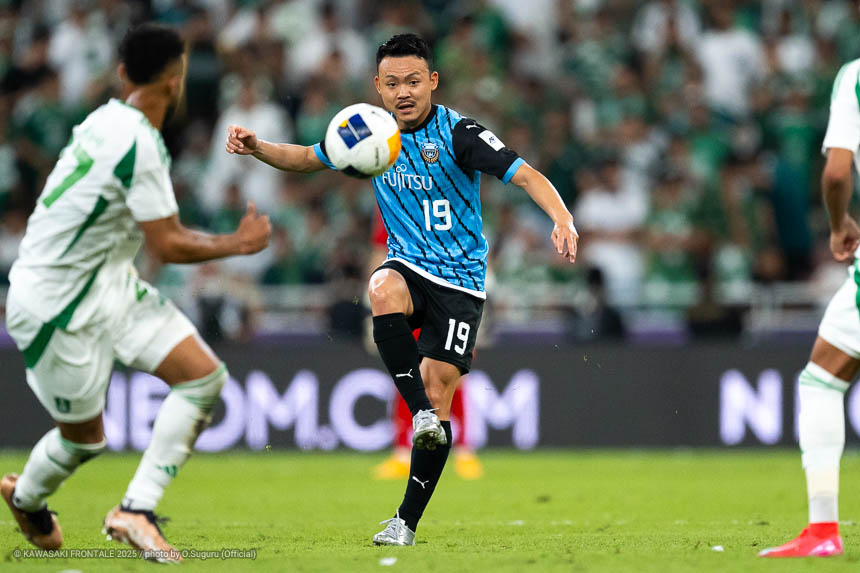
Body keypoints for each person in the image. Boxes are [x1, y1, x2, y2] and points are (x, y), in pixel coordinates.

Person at [226, 33, 577, 546]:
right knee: (381, 288)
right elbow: (306, 157)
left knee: (439, 389)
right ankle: (421, 416)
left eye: (413, 81)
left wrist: (562, 217)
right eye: (392, 83)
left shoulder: (460, 133)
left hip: (460, 282)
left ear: (432, 81)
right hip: (408, 265)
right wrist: (258, 148)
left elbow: (525, 175)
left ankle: (405, 522)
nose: (403, 92)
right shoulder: (368, 129)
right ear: (378, 86)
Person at [0, 24, 271, 562]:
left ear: (123, 73)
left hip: (108, 283)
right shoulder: (139, 143)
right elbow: (167, 244)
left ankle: (135, 510)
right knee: (82, 441)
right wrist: (237, 245)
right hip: (55, 303)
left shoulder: (104, 119)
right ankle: (26, 497)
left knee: (203, 378)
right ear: (175, 81)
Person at [757, 56, 860, 558]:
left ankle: (823, 530)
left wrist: (839, 224)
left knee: (821, 381)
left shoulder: (855, 76)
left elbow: (837, 173)